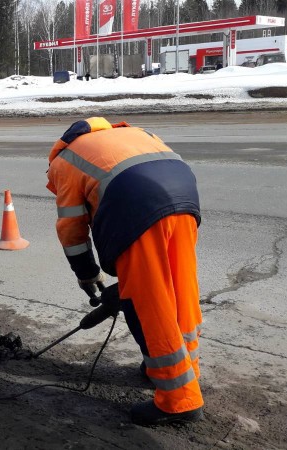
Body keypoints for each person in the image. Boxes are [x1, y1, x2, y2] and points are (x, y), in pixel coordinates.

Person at [46, 117, 203, 426]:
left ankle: (180, 399)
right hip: (184, 197)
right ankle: (184, 369)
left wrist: (88, 276)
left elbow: (72, 231)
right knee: (180, 289)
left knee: (147, 302)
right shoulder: (133, 132)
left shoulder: (64, 160)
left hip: (137, 206)